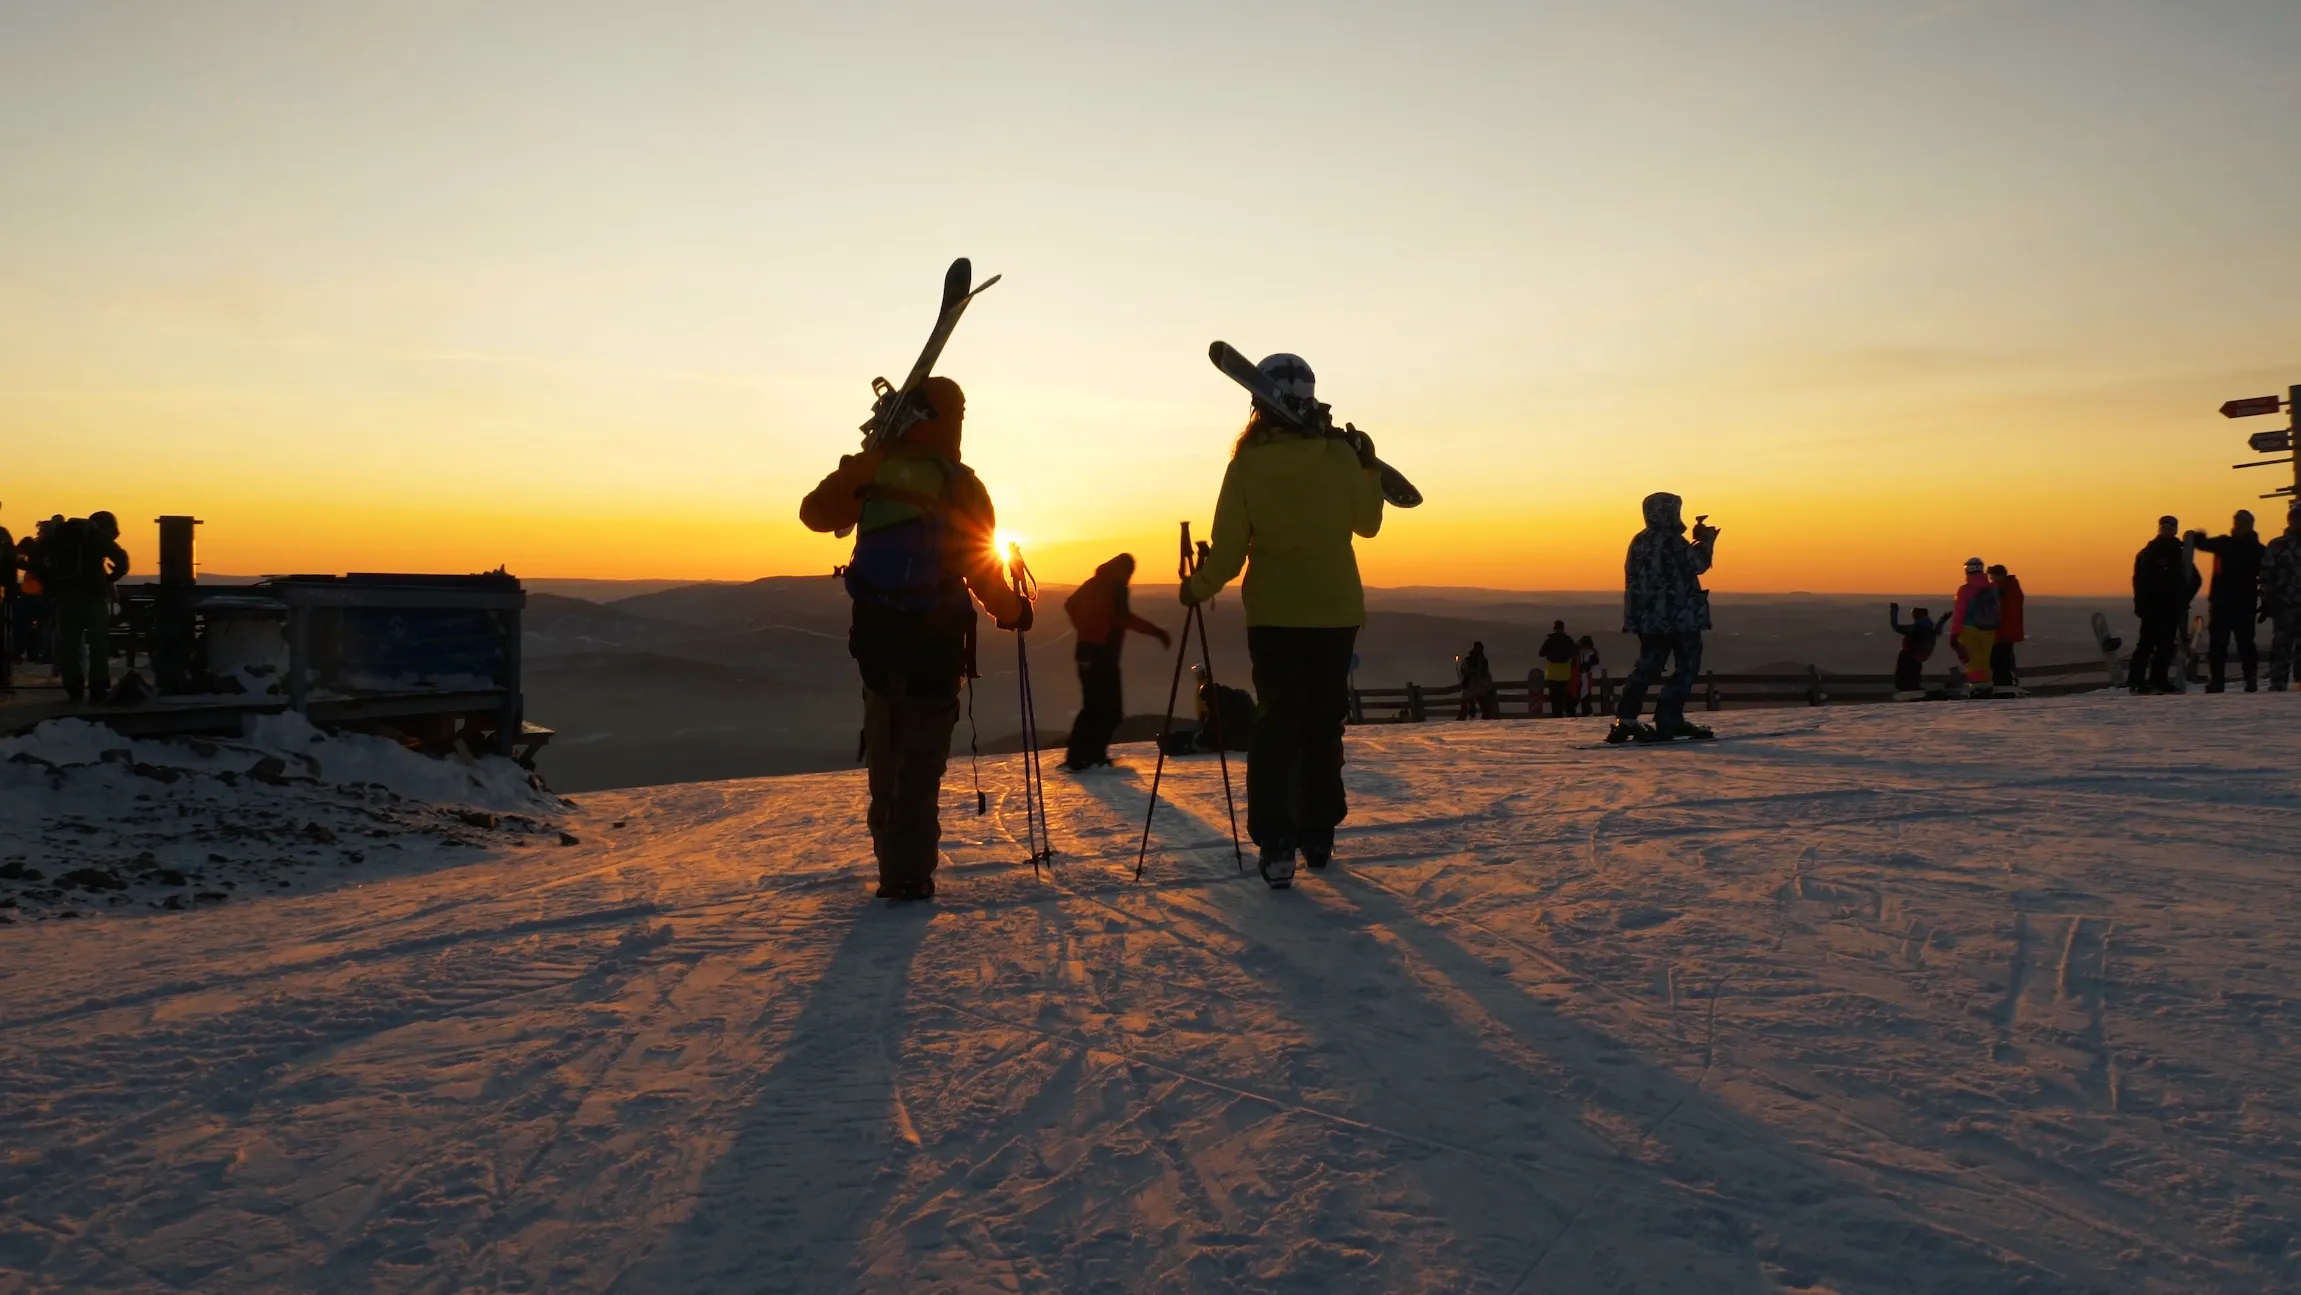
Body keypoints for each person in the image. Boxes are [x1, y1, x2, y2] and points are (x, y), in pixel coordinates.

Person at [800, 376, 1031, 901]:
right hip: (936, 644)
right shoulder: (962, 484)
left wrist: (860, 462)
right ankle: (908, 874)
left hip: (878, 641)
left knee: (886, 748)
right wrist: (1016, 612)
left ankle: (892, 864)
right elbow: (981, 570)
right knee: (921, 762)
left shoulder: (876, 468)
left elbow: (814, 514)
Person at [1180, 352, 1384, 888]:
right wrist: (1365, 464)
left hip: (1275, 616)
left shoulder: (1246, 465)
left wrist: (1194, 589)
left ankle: (1276, 841)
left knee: (1277, 723)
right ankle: (1318, 833)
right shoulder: (1339, 458)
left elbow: (1226, 556)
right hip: (1336, 612)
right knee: (1322, 722)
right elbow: (1368, 524)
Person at [1609, 493, 1718, 743]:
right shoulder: (1673, 541)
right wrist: (1706, 541)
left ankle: (1625, 720)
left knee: (1648, 666)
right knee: (1687, 665)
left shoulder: (1639, 541)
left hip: (1649, 619)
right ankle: (1669, 719)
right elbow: (1698, 565)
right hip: (1680, 617)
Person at [1060, 553, 1171, 770]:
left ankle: (1079, 755)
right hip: (1103, 655)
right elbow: (1124, 618)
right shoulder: (1117, 587)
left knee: (1092, 706)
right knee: (1111, 711)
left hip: (1084, 652)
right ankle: (1090, 756)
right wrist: (1156, 632)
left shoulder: (1094, 583)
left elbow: (1070, 605)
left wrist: (1085, 628)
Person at [44, 511, 130, 704]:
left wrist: (54, 586)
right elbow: (122, 561)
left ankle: (73, 686)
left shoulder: (62, 536)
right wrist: (108, 579)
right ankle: (98, 687)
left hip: (66, 599)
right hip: (94, 598)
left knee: (70, 645)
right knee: (99, 645)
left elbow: (40, 561)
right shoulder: (97, 537)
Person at [2190, 511, 2265, 693]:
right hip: (2221, 603)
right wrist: (2196, 536)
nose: (2238, 525)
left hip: (2243, 603)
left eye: (2243, 523)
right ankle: (2217, 680)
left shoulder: (2258, 549)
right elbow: (2202, 544)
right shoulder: (2224, 544)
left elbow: (2267, 576)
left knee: (2246, 643)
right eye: (2237, 522)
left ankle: (2250, 678)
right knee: (2218, 644)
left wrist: (2266, 600)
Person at [2129, 516, 2189, 694]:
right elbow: (2139, 581)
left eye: (2171, 526)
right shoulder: (2148, 553)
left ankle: (2159, 680)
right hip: (2152, 605)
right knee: (2146, 644)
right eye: (2164, 525)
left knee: (2166, 645)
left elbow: (2193, 578)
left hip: (2171, 605)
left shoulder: (2181, 553)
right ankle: (2136, 682)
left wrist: (2184, 597)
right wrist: (2140, 603)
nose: (2167, 529)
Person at [1945, 558, 2000, 694]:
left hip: (1969, 628)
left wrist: (1954, 633)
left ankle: (1977, 686)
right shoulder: (1994, 588)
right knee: (1985, 658)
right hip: (1989, 629)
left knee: (1972, 659)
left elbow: (1960, 613)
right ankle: (1987, 684)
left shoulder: (1965, 590)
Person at [2262, 502, 2301, 691]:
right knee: (2281, 645)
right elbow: (2267, 573)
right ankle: (2278, 681)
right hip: (2285, 603)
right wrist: (2268, 598)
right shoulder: (2278, 545)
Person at [1888, 603, 1945, 694]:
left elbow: (1896, 627)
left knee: (1904, 672)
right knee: (1915, 672)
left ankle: (1907, 688)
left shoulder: (1915, 628)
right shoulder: (1929, 629)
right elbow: (1937, 631)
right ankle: (1914, 687)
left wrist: (1894, 611)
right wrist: (1943, 620)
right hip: (1918, 656)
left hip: (1908, 654)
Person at [1985, 564, 2025, 691]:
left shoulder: (2006, 589)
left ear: (2000, 575)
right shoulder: (2009, 588)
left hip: (2004, 632)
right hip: (2005, 632)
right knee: (2001, 659)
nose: (1992, 580)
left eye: (1993, 577)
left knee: (1999, 659)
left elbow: (2006, 613)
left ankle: (2003, 686)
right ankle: (2002, 684)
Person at [1537, 620, 1576, 717]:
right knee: (1563, 695)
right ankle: (1563, 714)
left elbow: (1541, 653)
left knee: (1554, 696)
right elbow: (1575, 652)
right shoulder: (1568, 640)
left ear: (1554, 628)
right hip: (1564, 672)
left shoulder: (1550, 640)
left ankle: (1556, 715)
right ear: (1563, 628)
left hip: (1552, 672)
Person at [1455, 640, 1496, 720]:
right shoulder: (1473, 659)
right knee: (1470, 704)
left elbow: (1484, 673)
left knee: (1482, 705)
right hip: (1475, 685)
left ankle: (1484, 720)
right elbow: (1464, 670)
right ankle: (1462, 720)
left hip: (1477, 685)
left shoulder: (1481, 660)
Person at [1572, 635, 1604, 715]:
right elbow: (1595, 664)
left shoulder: (1578, 652)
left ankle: (1580, 713)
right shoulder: (1591, 652)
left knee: (1577, 696)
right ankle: (1587, 713)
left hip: (1578, 677)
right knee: (1584, 696)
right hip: (1585, 677)